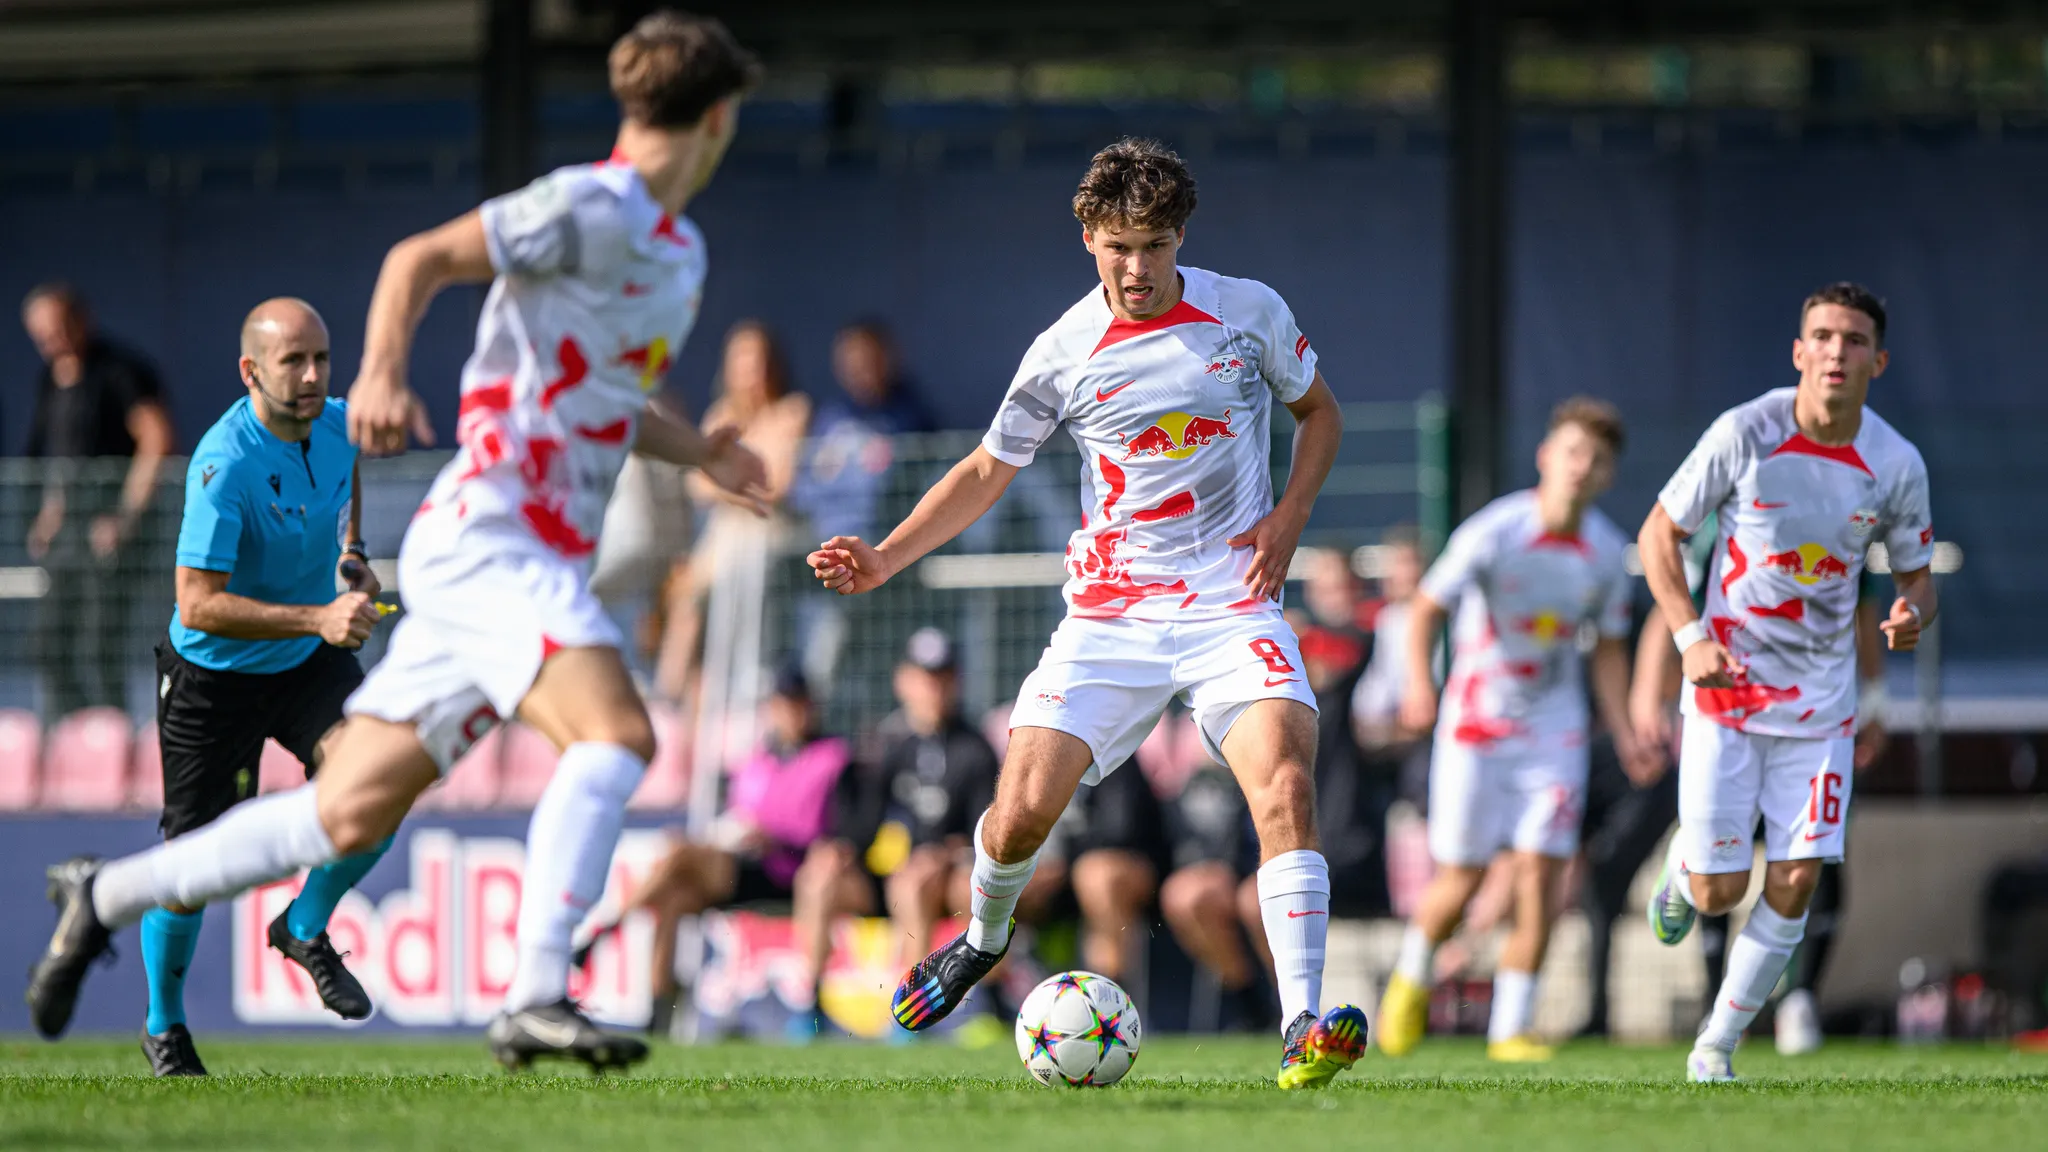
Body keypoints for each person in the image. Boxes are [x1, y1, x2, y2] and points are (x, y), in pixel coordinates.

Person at [27, 11, 771, 1075]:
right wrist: (378, 369)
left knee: (342, 812)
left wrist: (703, 452)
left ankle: (101, 894)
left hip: (525, 559)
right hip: (493, 535)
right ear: (718, 119)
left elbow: (609, 400)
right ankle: (535, 993)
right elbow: (416, 258)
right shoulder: (586, 204)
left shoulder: (676, 252)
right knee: (614, 738)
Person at [808, 138, 1365, 1088]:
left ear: (1181, 235)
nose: (1136, 268)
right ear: (1087, 238)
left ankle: (1301, 1024)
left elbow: (1321, 414)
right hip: (1114, 614)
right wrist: (886, 558)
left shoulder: (1248, 313)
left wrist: (1291, 517)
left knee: (1286, 790)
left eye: (1153, 244)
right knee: (1019, 816)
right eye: (1118, 246)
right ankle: (981, 941)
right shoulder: (1063, 353)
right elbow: (988, 469)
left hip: (1235, 602)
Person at [1639, 282, 1935, 1083]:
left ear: (1879, 359)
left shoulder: (1896, 462)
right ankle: (1683, 865)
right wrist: (1690, 637)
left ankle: (1715, 1048)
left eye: (1854, 339)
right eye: (1823, 337)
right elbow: (1658, 535)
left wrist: (1911, 613)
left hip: (1822, 704)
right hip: (1726, 690)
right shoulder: (1745, 433)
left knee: (1799, 876)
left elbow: (1917, 580)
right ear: (1799, 352)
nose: (1837, 351)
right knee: (1717, 892)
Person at [133, 298, 394, 1076]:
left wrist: (354, 557)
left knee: (379, 779)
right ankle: (164, 1026)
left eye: (322, 358)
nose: (314, 376)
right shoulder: (225, 464)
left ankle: (304, 930)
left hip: (305, 662)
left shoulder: (339, 423)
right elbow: (196, 603)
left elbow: (348, 481)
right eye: (294, 362)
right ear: (251, 371)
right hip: (213, 680)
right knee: (191, 871)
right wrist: (318, 616)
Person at [1375, 397, 1638, 1063]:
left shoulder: (1607, 553)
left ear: (1608, 476)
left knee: (1541, 878)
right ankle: (1410, 979)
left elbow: (1607, 650)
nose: (1583, 468)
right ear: (1547, 457)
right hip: (1474, 725)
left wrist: (1629, 727)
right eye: (1574, 452)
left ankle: (1511, 1029)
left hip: (1554, 731)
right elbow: (1426, 607)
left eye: (1597, 460)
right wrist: (1416, 683)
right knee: (1459, 881)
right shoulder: (1496, 531)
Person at [1635, 517, 1891, 1052]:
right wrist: (1648, 697)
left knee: (1808, 869)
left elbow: (1863, 611)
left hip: (1817, 716)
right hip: (1729, 715)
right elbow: (1673, 599)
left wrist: (1875, 700)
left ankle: (1792, 1004)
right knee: (1718, 887)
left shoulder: (1850, 502)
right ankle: (1691, 877)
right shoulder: (1728, 504)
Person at [575, 664, 847, 1032]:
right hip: (742, 865)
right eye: (784, 703)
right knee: (673, 896)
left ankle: (608, 927)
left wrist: (769, 835)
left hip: (788, 868)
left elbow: (824, 828)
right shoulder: (757, 761)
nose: (791, 712)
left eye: (798, 704)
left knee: (681, 856)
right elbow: (739, 814)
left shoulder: (831, 757)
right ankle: (657, 1014)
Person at [21, 283, 176, 714]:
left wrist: (125, 515)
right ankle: (70, 734)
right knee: (49, 643)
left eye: (58, 330)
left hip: (111, 532)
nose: (52, 343)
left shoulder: (121, 370)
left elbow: (156, 440)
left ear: (80, 320)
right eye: (42, 336)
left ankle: (106, 734)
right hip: (69, 535)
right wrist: (50, 516)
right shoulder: (50, 382)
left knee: (97, 647)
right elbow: (59, 457)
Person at [652, 320, 810, 704]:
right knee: (685, 597)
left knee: (738, 581)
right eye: (740, 360)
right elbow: (698, 483)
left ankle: (745, 697)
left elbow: (776, 484)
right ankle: (668, 704)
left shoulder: (791, 411)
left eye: (755, 360)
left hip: (771, 536)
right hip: (722, 537)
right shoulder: (721, 413)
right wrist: (739, 483)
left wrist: (728, 482)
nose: (748, 370)